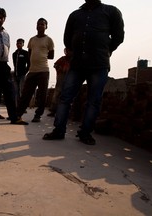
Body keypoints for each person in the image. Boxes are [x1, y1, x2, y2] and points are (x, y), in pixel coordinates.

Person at [43, 0, 124, 145]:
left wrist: (105, 49)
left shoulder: (111, 11)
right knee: (65, 97)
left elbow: (118, 36)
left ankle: (85, 133)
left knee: (94, 101)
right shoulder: (75, 15)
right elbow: (67, 39)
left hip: (99, 64)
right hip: (77, 64)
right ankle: (59, 130)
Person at [16, 18, 54, 123]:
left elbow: (51, 55)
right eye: (38, 24)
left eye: (42, 24)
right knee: (25, 94)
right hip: (32, 71)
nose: (40, 26)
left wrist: (41, 56)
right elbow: (29, 54)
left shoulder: (49, 40)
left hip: (43, 70)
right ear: (36, 26)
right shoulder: (32, 40)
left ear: (46, 26)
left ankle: (38, 115)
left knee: (42, 94)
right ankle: (18, 114)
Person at [47, 48, 71, 117]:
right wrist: (60, 69)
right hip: (61, 78)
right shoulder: (62, 59)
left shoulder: (73, 60)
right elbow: (55, 65)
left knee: (67, 94)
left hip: (69, 78)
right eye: (66, 51)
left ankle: (65, 111)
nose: (67, 52)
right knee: (57, 94)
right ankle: (53, 111)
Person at [12, 38, 30, 105]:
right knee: (16, 91)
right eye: (18, 43)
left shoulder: (25, 53)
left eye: (20, 43)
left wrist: (25, 72)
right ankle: (17, 106)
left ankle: (22, 107)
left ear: (23, 44)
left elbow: (29, 63)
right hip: (15, 75)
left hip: (22, 75)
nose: (19, 44)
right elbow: (14, 64)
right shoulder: (14, 54)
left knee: (22, 91)